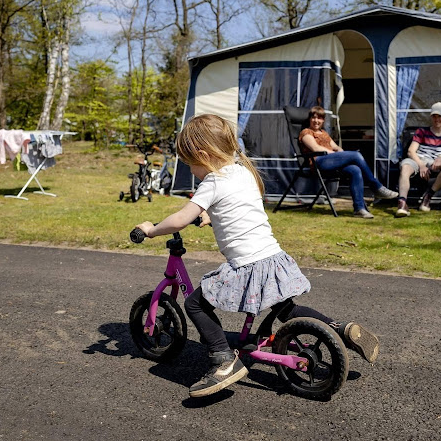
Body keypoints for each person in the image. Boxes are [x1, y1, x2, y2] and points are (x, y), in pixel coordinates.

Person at [135, 114, 380, 398]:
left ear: (203, 155)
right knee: (286, 309)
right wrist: (210, 216)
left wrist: (152, 230)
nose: (192, 169)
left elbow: (178, 219)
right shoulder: (242, 171)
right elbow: (237, 210)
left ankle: (223, 360)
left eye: (190, 163)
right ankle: (339, 328)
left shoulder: (211, 183)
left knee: (195, 305)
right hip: (274, 259)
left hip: (248, 267)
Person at [299, 106, 398, 218]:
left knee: (355, 170)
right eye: (314, 118)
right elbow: (316, 148)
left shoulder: (324, 133)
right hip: (319, 163)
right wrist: (336, 154)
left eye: (319, 118)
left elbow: (336, 147)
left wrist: (341, 154)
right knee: (356, 155)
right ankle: (376, 187)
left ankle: (359, 209)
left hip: (332, 162)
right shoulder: (306, 132)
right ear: (310, 119)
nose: (316, 121)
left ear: (323, 120)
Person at [395, 102, 441, 217]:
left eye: (439, 116)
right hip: (419, 159)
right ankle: (402, 203)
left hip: (436, 161)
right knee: (405, 167)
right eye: (434, 116)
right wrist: (421, 165)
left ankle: (428, 196)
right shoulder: (421, 132)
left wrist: (440, 157)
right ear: (431, 117)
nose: (437, 119)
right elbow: (411, 151)